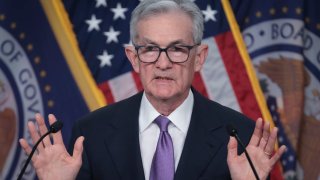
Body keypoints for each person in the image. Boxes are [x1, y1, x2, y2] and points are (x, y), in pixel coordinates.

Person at [19, 0, 286, 179]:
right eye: (149, 49)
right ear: (133, 57)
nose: (163, 63)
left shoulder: (241, 136)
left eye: (177, 49)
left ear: (200, 57)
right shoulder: (91, 133)